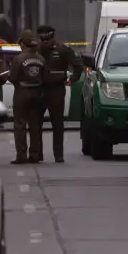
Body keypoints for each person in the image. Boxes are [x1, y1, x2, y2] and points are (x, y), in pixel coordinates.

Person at [36, 24, 84, 163]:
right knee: (36, 123)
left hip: (56, 89)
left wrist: (72, 79)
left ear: (52, 38)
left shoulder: (62, 49)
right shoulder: (36, 50)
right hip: (40, 88)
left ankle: (58, 154)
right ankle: (37, 153)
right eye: (42, 40)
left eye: (47, 40)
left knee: (57, 123)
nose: (45, 42)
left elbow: (78, 64)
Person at [9, 29, 46, 164]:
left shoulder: (18, 59)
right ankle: (35, 154)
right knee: (35, 125)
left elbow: (13, 77)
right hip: (37, 92)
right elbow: (44, 76)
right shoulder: (41, 59)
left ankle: (21, 155)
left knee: (20, 125)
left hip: (22, 92)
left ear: (22, 44)